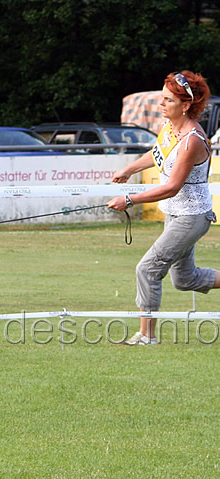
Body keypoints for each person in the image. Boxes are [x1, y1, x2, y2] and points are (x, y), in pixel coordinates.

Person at [107, 71, 218, 345]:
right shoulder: (171, 128)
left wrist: (130, 199)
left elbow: (171, 187)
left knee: (148, 269)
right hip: (176, 212)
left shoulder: (192, 139)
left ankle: (147, 336)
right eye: (162, 99)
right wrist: (129, 169)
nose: (161, 105)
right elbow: (157, 153)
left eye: (168, 100)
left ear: (186, 104)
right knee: (185, 279)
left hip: (192, 216)